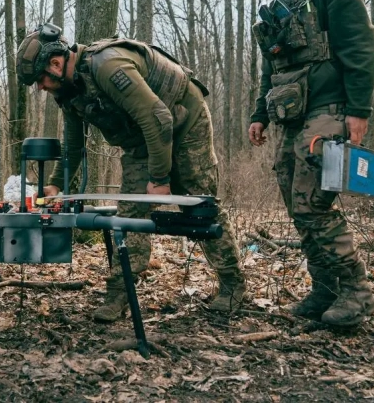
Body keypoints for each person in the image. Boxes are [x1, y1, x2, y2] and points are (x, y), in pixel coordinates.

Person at [16, 24, 246, 322]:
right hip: (141, 139)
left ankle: (233, 284)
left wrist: (160, 178)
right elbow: (73, 145)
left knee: (200, 205)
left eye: (41, 80)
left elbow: (159, 118)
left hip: (184, 122)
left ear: (56, 64)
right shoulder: (69, 91)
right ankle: (119, 293)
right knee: (131, 214)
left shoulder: (108, 66)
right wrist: (55, 186)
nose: (41, 88)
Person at [247, 0, 374, 326]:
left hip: (331, 108)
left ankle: (357, 291)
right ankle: (325, 288)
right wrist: (258, 114)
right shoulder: (283, 2)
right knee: (293, 198)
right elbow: (272, 67)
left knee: (312, 202)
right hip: (292, 115)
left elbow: (362, 50)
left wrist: (359, 111)